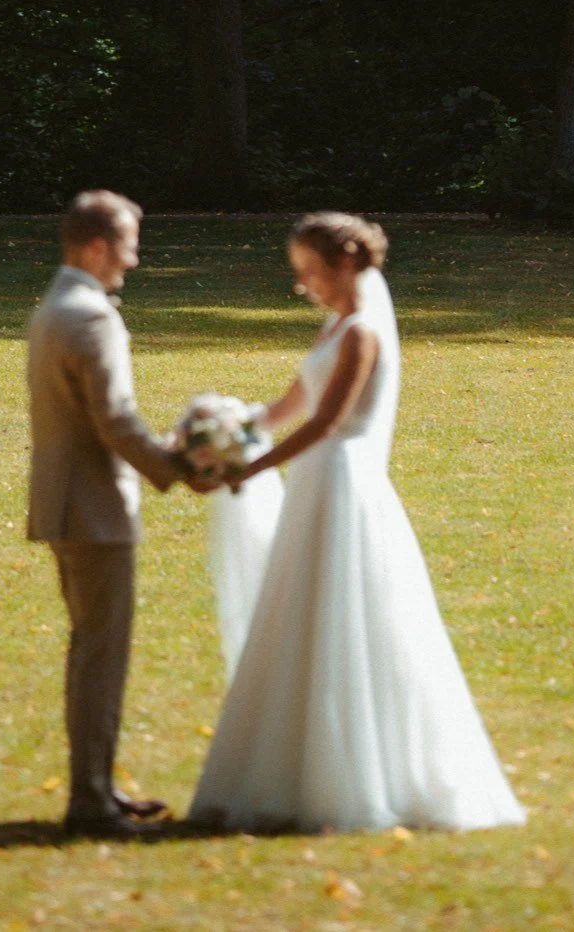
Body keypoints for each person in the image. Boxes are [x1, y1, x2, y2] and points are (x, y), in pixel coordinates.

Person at [190, 210, 525, 835]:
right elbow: (293, 404)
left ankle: (359, 773)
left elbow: (326, 423)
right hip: (316, 482)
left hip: (344, 482)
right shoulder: (333, 325)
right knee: (303, 610)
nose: (304, 285)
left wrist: (250, 467)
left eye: (310, 272)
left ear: (344, 264)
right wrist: (230, 429)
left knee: (347, 611)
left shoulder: (364, 332)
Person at [26, 188, 211, 833]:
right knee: (102, 655)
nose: (133, 260)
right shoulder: (91, 317)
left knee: (90, 650)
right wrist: (181, 468)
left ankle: (97, 788)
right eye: (130, 245)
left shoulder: (54, 305)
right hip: (95, 508)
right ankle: (91, 802)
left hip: (64, 502)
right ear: (99, 245)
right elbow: (117, 421)